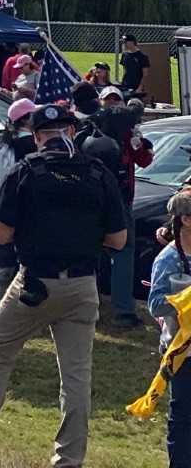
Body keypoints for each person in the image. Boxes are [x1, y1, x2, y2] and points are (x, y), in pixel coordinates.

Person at [0, 103, 127, 464]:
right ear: (71, 132)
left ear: (37, 137)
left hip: (34, 282)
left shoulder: (25, 172)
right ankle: (69, 458)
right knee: (76, 376)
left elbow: (1, 234)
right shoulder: (97, 173)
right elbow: (118, 239)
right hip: (82, 285)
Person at [81, 103, 152, 328]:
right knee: (123, 253)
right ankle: (123, 311)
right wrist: (140, 144)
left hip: (90, 204)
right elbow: (145, 160)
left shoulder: (90, 137)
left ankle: (87, 304)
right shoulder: (125, 139)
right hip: (119, 204)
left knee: (89, 254)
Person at [0, 99, 37, 312]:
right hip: (27, 212)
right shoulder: (31, 146)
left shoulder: (1, 142)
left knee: (1, 260)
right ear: (27, 120)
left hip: (1, 212)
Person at [148, 190, 191, 468]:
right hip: (182, 351)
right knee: (184, 415)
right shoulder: (169, 259)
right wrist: (184, 301)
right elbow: (155, 304)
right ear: (186, 220)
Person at [122, 34, 151, 98]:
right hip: (125, 86)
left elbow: (145, 74)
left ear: (132, 42)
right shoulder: (124, 55)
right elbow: (125, 70)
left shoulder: (142, 57)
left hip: (136, 87)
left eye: (125, 42)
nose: (124, 44)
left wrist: (140, 88)